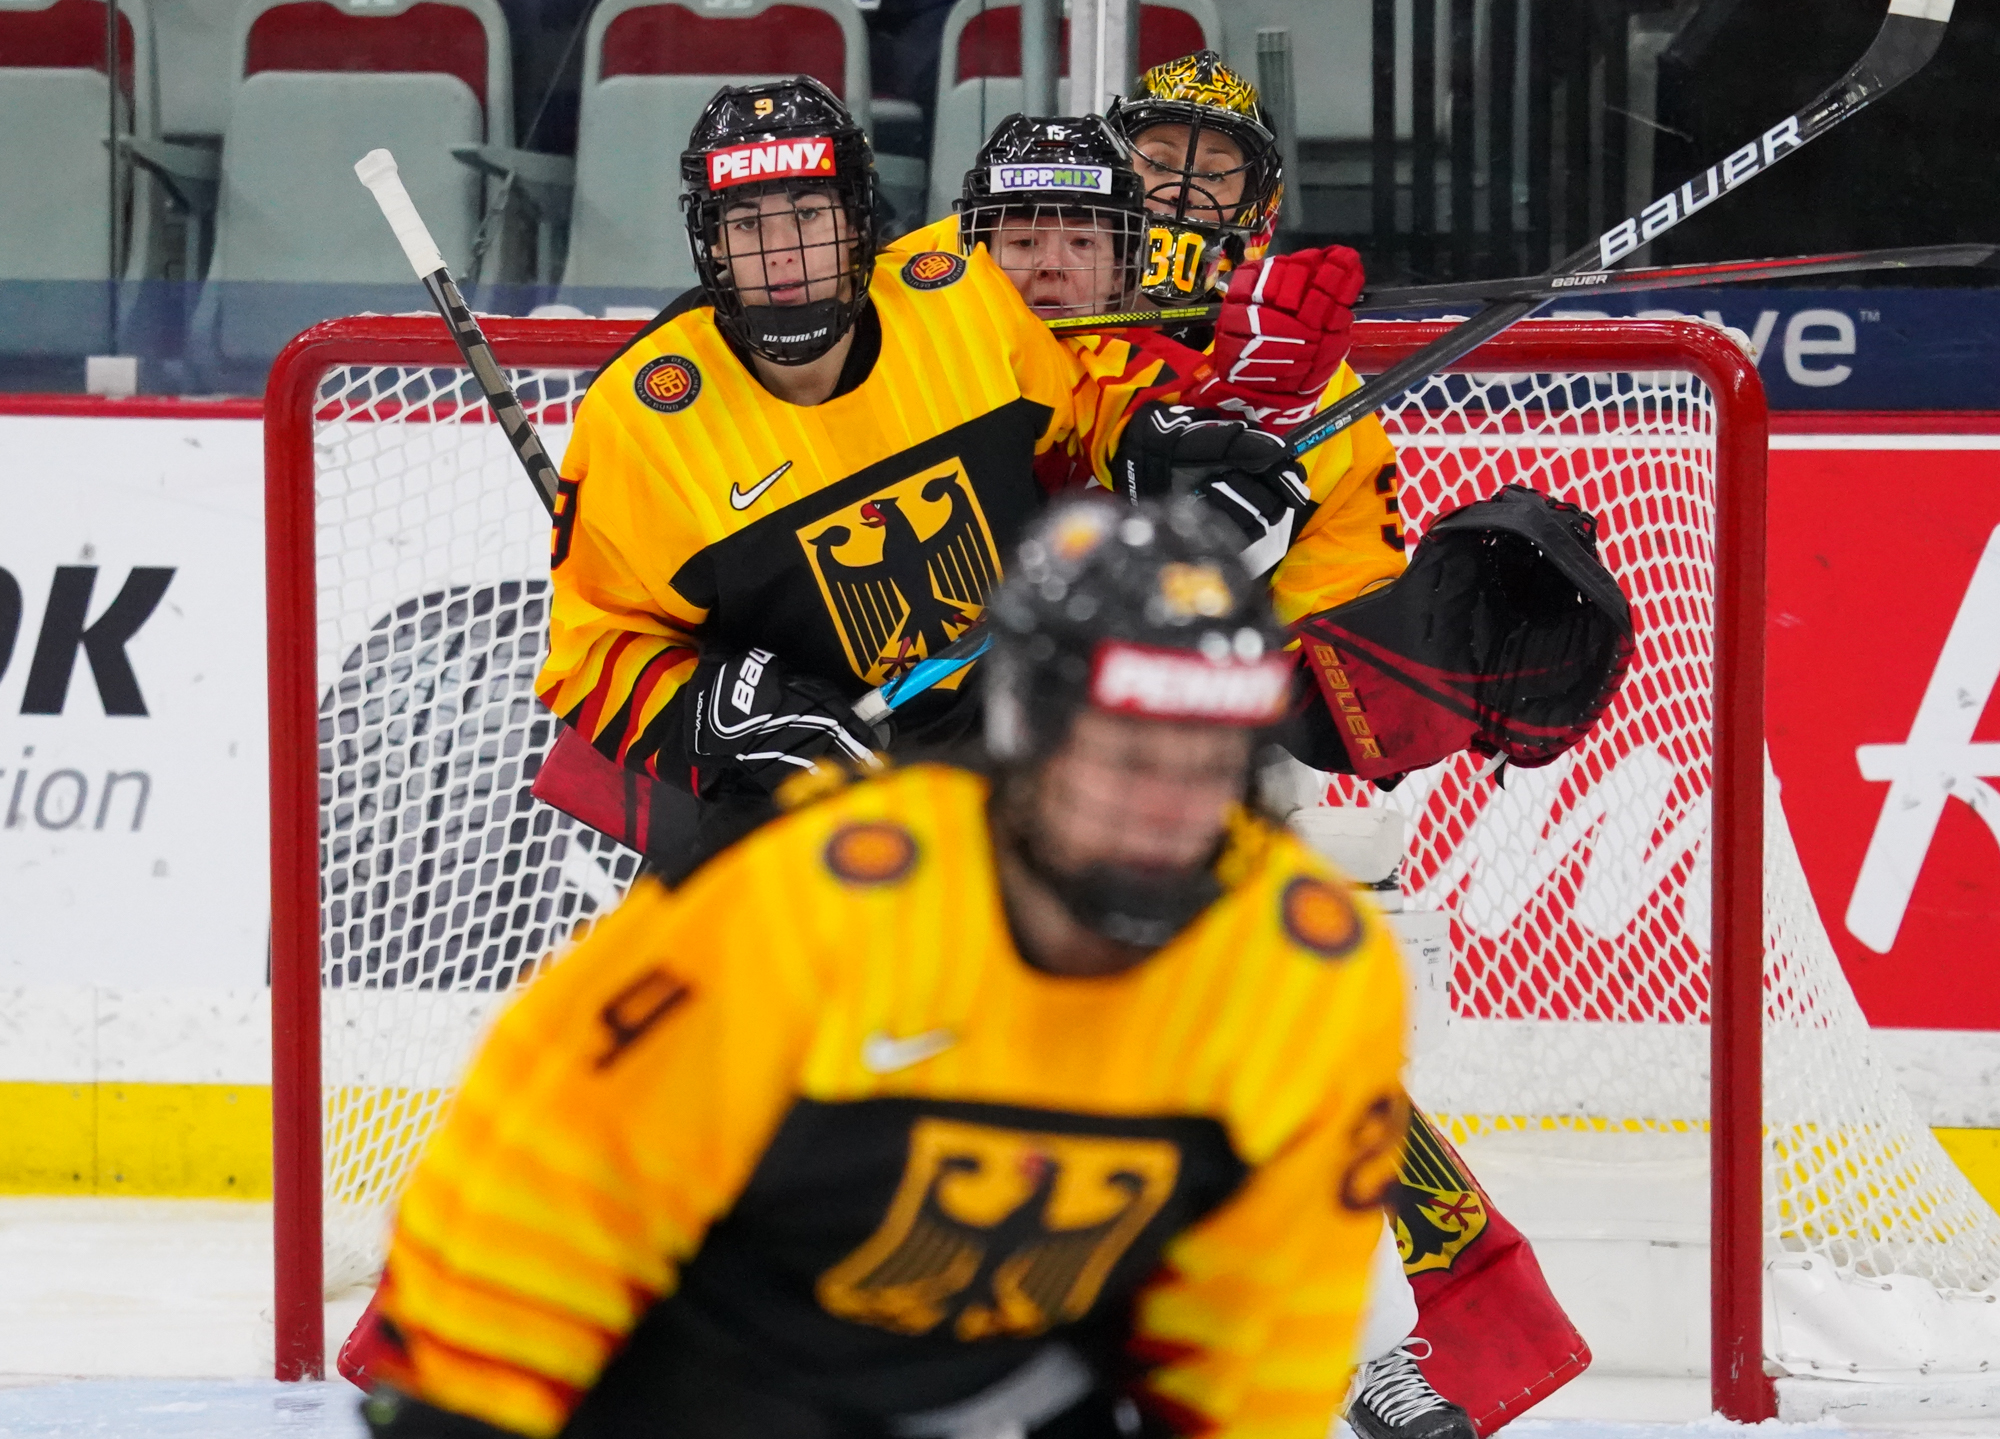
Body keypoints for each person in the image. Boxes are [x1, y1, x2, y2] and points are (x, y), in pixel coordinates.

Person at [355, 498, 1413, 1439]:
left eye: (1208, 762)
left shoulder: (1302, 970)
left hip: (996, 1384)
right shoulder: (818, 903)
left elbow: (1259, 1335)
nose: (1168, 811)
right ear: (1027, 734)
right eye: (1129, 756)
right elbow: (554, 1164)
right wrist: (467, 1410)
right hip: (700, 1370)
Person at [527, 75, 1143, 878]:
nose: (781, 253)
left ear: (857, 221)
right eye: (747, 224)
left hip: (1018, 785)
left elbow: (1091, 408)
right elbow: (593, 651)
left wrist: (1154, 439)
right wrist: (717, 713)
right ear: (712, 245)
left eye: (808, 216)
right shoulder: (645, 417)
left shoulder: (962, 306)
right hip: (800, 826)